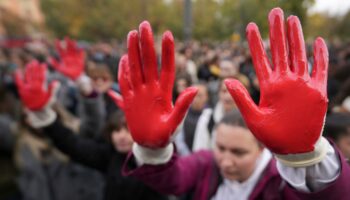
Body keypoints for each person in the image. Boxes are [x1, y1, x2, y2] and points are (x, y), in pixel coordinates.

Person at [111, 8, 350, 200]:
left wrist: (304, 158)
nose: (226, 161)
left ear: (261, 150)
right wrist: (152, 150)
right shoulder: (206, 164)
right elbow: (173, 180)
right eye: (221, 148)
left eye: (238, 152)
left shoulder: (280, 182)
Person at [14, 42, 169, 200]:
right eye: (116, 131)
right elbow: (71, 144)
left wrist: (156, 149)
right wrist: (44, 118)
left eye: (127, 131)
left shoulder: (155, 163)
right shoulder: (110, 156)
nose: (121, 136)